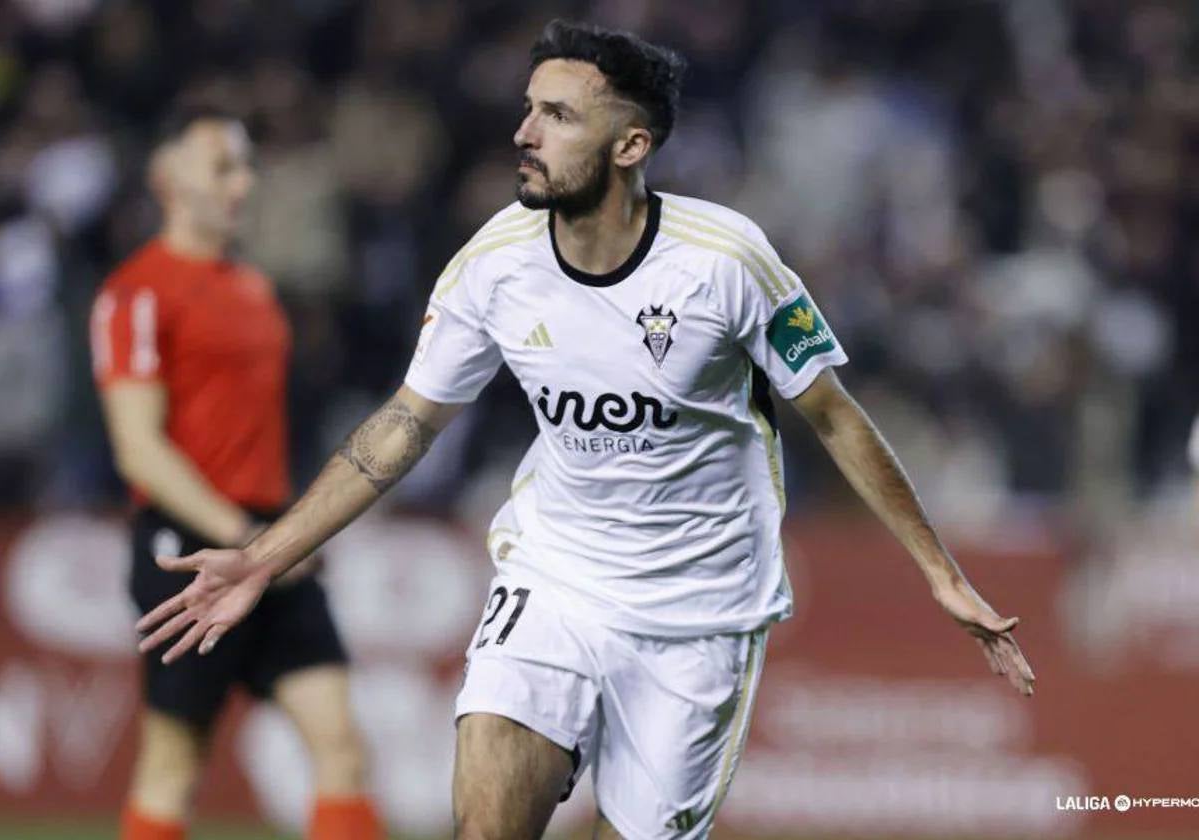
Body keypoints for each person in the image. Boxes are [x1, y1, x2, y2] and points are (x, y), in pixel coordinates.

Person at [137, 22, 1035, 840]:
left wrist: (941, 575)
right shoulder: (494, 264)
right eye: (528, 109)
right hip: (557, 575)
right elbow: (406, 425)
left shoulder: (729, 263)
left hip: (703, 608)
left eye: (557, 116)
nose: (524, 133)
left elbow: (834, 416)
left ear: (630, 145)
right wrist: (265, 557)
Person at [90, 106, 382, 840]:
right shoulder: (137, 293)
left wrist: (279, 537)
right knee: (173, 764)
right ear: (167, 178)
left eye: (246, 166)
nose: (242, 183)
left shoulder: (254, 290)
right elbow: (139, 450)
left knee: (341, 747)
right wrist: (248, 540)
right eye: (223, 165)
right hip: (191, 549)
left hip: (267, 543)